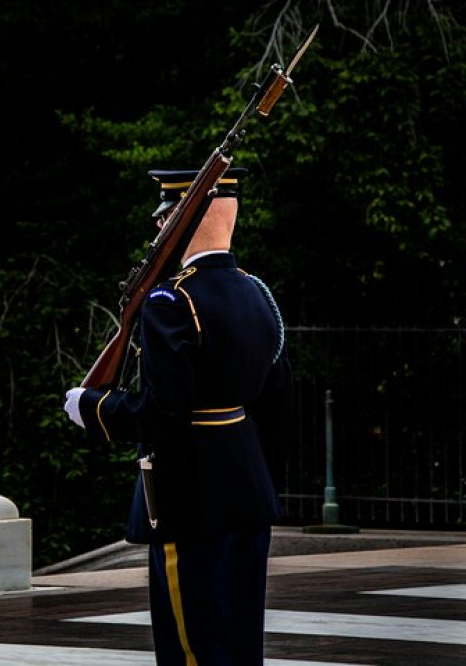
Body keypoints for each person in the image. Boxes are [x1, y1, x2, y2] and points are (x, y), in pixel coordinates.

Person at [64, 168, 294, 665]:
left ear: (179, 223)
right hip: (248, 497)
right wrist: (261, 481)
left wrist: (92, 407)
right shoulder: (258, 293)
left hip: (188, 500)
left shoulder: (171, 300)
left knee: (189, 647)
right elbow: (277, 407)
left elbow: (161, 414)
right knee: (238, 645)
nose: (157, 231)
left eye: (164, 219)